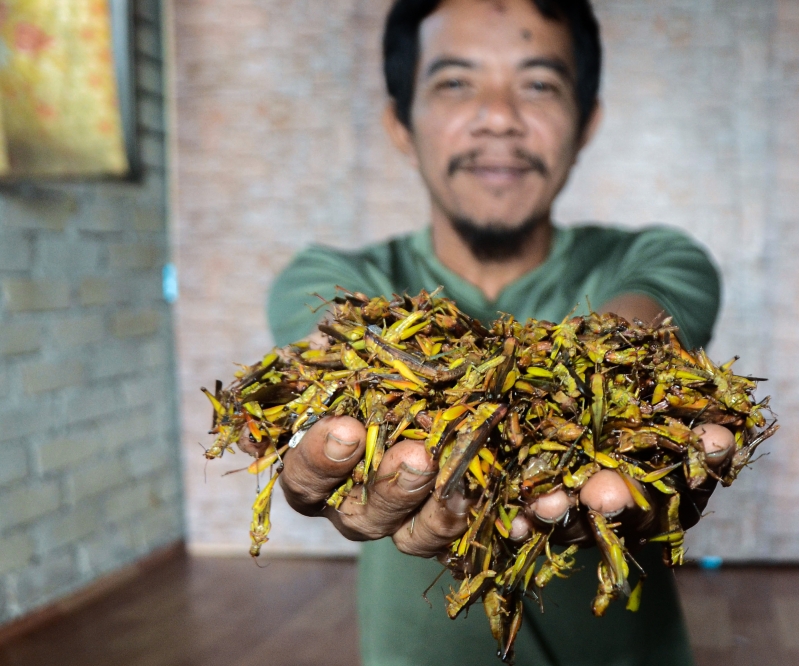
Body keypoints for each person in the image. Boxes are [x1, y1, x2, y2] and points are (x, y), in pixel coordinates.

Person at [267, 1, 728, 664]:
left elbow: (641, 321)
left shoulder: (658, 257)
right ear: (400, 123)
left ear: (587, 122)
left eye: (538, 84)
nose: (499, 118)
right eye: (456, 83)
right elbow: (337, 342)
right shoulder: (329, 276)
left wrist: (609, 368)